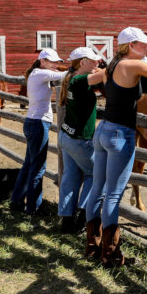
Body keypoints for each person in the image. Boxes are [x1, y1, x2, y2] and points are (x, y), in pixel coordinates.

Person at [85, 27, 147, 267]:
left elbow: (89, 79)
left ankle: (92, 245)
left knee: (98, 188)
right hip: (120, 133)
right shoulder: (132, 65)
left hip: (103, 129)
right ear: (131, 45)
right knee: (114, 194)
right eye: (142, 44)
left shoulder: (112, 67)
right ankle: (110, 254)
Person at [9, 48, 68, 220]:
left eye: (57, 62)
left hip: (32, 122)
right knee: (38, 167)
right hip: (38, 124)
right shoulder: (42, 74)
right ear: (42, 61)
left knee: (29, 164)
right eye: (52, 62)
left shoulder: (36, 73)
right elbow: (63, 76)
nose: (55, 65)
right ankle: (33, 208)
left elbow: (58, 73)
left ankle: (17, 201)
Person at [56, 47, 106, 234]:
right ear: (83, 62)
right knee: (97, 175)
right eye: (93, 61)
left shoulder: (71, 78)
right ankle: (84, 216)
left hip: (67, 135)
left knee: (71, 176)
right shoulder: (79, 80)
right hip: (79, 139)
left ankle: (66, 220)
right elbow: (105, 74)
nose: (97, 63)